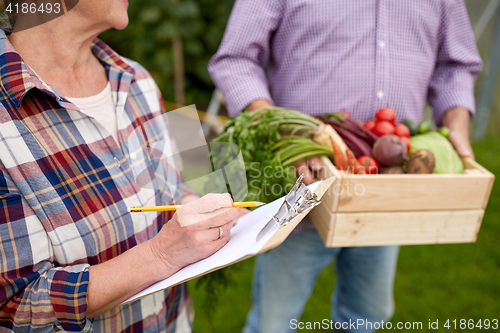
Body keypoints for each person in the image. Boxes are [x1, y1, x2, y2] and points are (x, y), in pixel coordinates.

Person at [209, 0, 482, 332]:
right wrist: (280, 128)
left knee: (368, 316)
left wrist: (457, 127)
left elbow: (455, 66)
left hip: (388, 189)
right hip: (303, 185)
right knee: (273, 321)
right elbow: (235, 59)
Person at [0, 1, 247, 332]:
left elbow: (177, 187)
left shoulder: (138, 78)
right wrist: (159, 256)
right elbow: (13, 309)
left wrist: (205, 216)